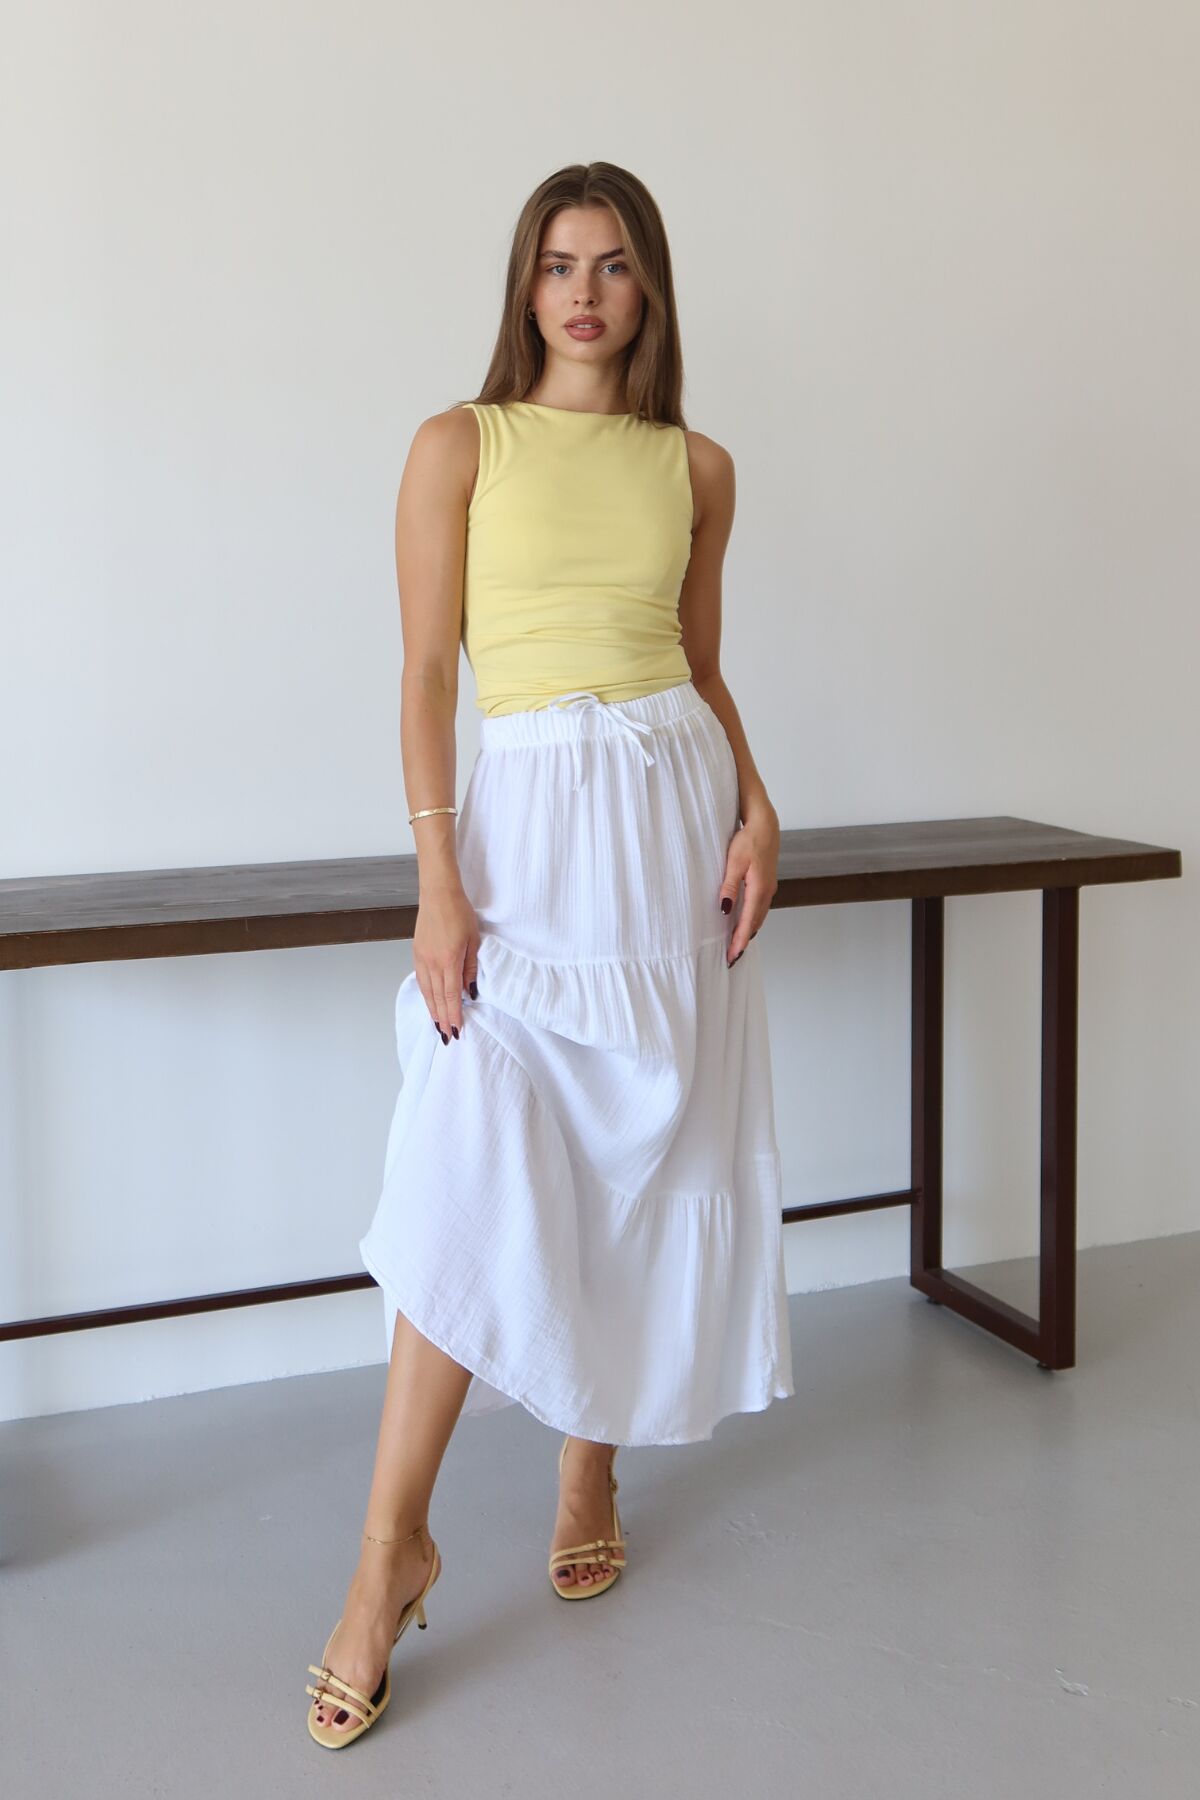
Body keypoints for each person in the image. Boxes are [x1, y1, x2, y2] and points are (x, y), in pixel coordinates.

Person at [305, 161, 794, 1747]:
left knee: (645, 1151)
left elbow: (700, 666)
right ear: (525, 285)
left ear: (651, 290)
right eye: (560, 263)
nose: (586, 291)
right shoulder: (460, 444)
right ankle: (388, 1555)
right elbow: (425, 673)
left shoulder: (698, 466)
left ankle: (592, 1458)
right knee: (470, 1154)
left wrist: (759, 806)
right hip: (524, 842)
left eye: (616, 264)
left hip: (669, 833)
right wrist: (439, 880)